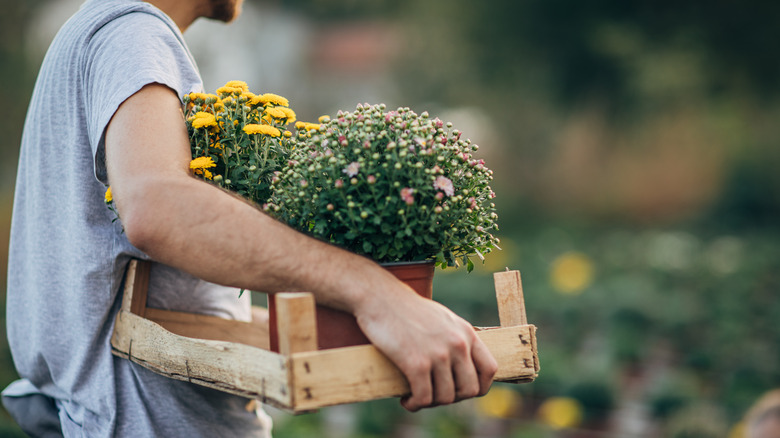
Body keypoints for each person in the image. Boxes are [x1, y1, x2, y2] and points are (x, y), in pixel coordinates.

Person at [1, 0, 498, 435]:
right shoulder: (132, 33)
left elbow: (111, 281)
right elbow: (156, 206)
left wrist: (326, 325)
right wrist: (378, 294)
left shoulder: (93, 33)